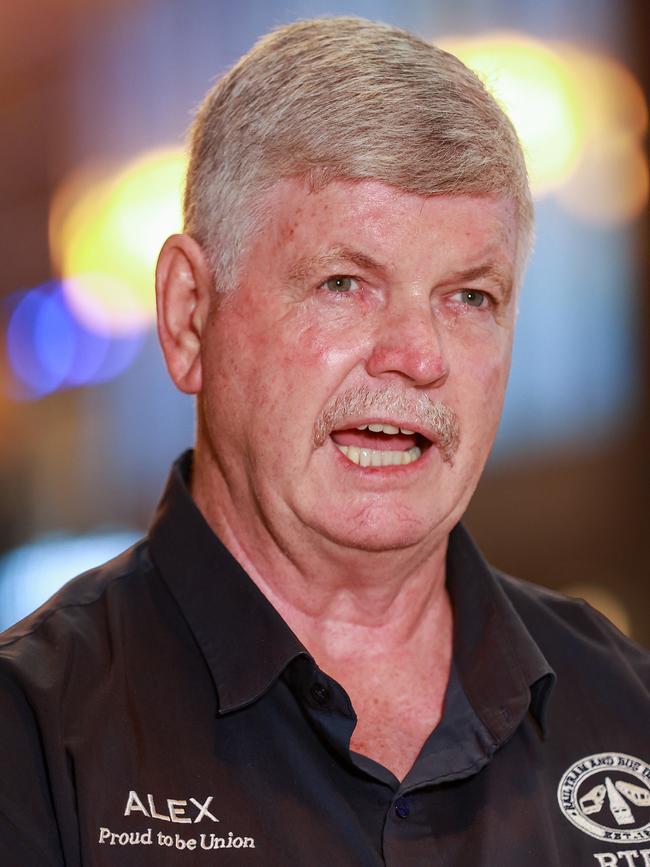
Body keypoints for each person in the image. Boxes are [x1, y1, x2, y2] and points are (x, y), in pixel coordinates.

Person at [1, 16, 648, 867]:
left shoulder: (625, 707)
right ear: (190, 315)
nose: (418, 356)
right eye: (345, 283)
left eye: (470, 297)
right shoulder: (33, 737)